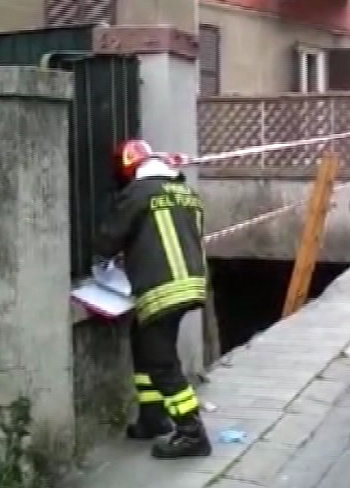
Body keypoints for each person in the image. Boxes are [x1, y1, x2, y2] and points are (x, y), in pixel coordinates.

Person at [93, 139, 212, 459]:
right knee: (144, 346)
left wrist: (101, 259)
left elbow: (108, 238)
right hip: (191, 283)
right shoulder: (184, 191)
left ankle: (192, 433)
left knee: (161, 361)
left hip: (162, 288)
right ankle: (152, 418)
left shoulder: (138, 193)